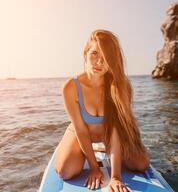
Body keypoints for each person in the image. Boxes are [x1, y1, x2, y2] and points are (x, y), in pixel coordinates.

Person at [54, 29, 150, 191]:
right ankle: (84, 151)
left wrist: (115, 177)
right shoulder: (71, 87)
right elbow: (81, 130)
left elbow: (116, 130)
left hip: (111, 135)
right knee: (66, 171)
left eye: (106, 58)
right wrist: (94, 168)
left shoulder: (119, 86)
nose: (99, 62)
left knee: (141, 164)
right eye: (94, 54)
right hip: (81, 133)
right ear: (85, 53)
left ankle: (103, 148)